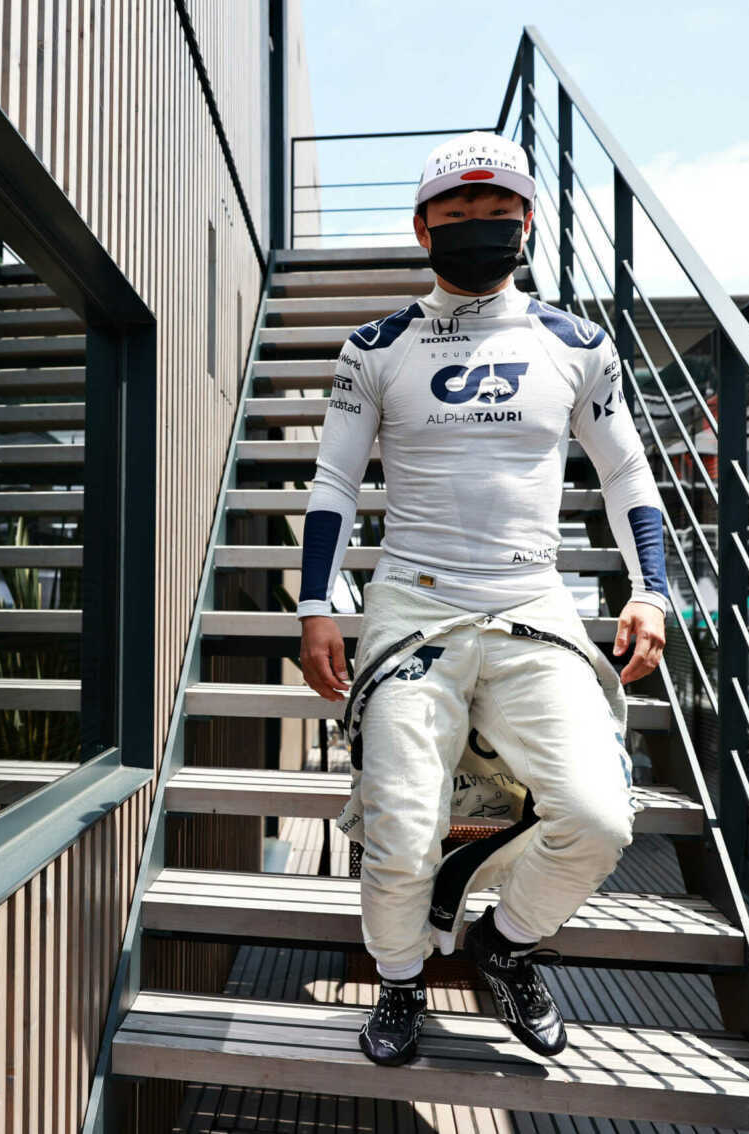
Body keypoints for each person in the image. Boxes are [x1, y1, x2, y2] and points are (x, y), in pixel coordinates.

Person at [296, 133, 669, 1064]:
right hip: (412, 608)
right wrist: (314, 607)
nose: (479, 226)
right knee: (399, 829)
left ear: (527, 222)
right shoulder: (374, 347)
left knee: (598, 817)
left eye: (497, 211)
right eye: (457, 213)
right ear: (422, 228)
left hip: (534, 604)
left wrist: (652, 592)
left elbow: (626, 473)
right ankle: (398, 980)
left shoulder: (578, 344)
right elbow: (334, 482)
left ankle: (505, 946)